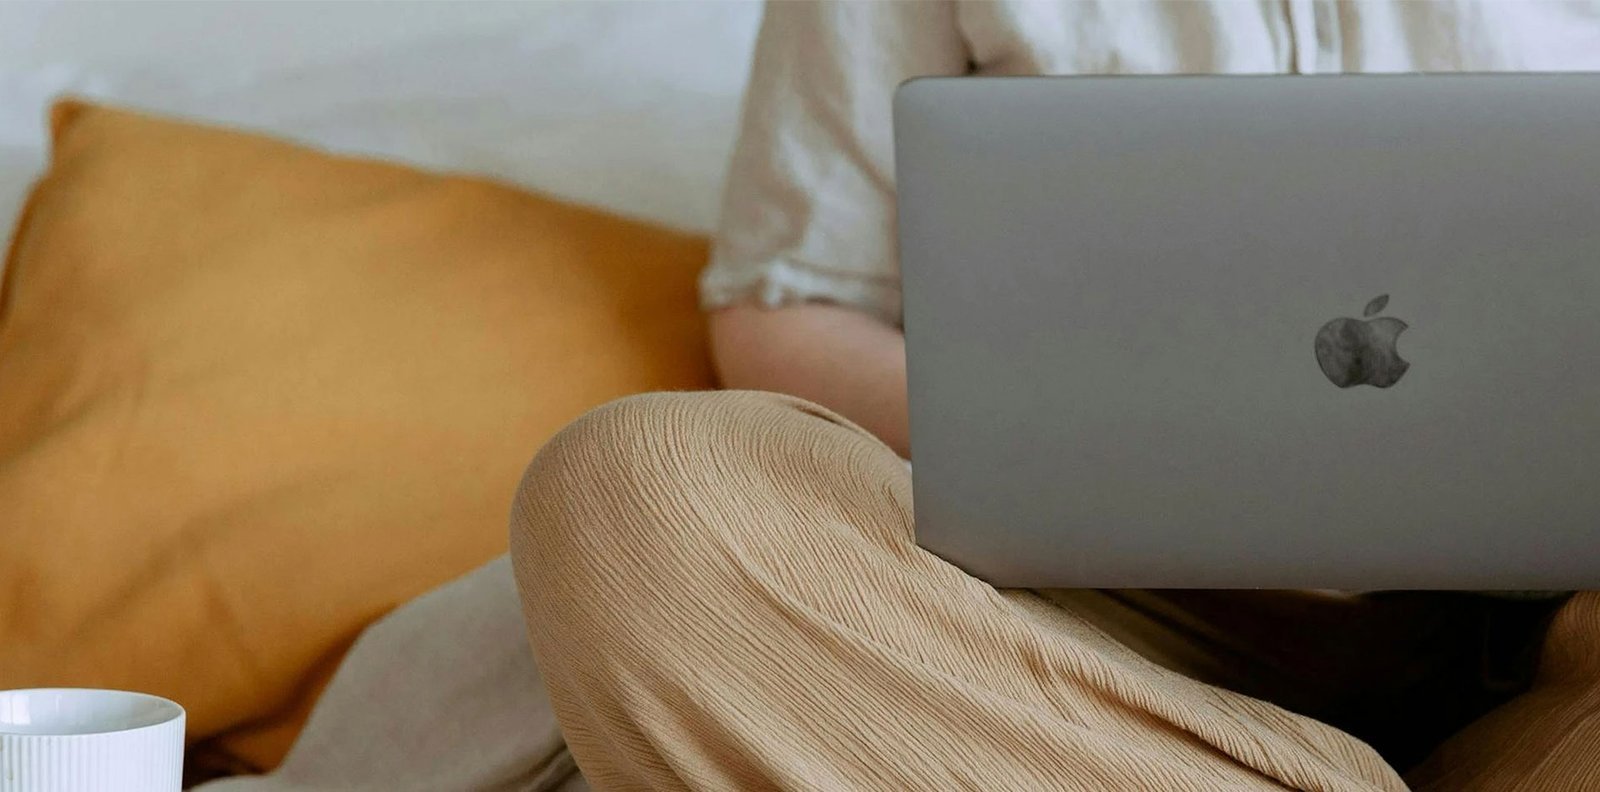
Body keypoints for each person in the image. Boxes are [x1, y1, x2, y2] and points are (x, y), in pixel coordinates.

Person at [509, 3, 1600, 789]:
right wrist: (1064, 454)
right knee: (633, 492)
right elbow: (789, 303)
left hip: (1555, 623)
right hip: (1079, 619)